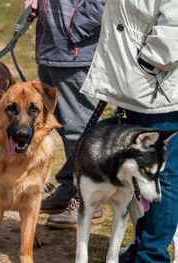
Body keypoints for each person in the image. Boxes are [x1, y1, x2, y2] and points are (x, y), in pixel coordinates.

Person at [80, 0, 178, 262]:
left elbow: (175, 21)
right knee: (138, 174)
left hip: (158, 87)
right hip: (136, 87)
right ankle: (141, 246)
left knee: (162, 177)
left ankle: (151, 256)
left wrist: (149, 62)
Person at [23, 0, 105, 228]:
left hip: (74, 54)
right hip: (51, 48)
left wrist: (73, 28)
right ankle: (71, 186)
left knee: (79, 130)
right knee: (65, 128)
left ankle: (90, 199)